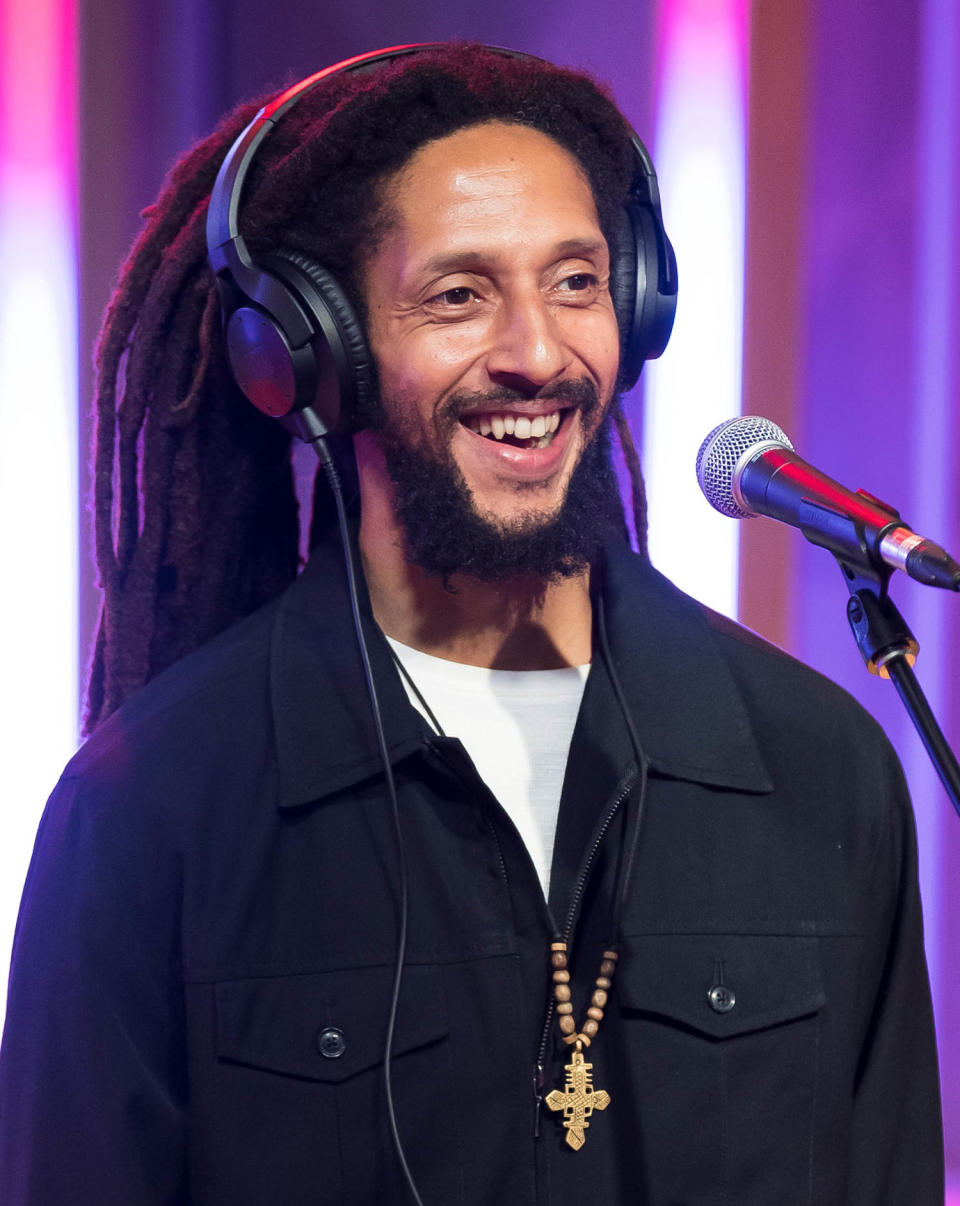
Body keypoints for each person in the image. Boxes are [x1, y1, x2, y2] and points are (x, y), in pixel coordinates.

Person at [0, 43, 943, 1205]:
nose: (538, 353)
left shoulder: (817, 767)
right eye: (458, 295)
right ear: (309, 353)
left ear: (636, 306)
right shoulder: (154, 809)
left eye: (577, 283)